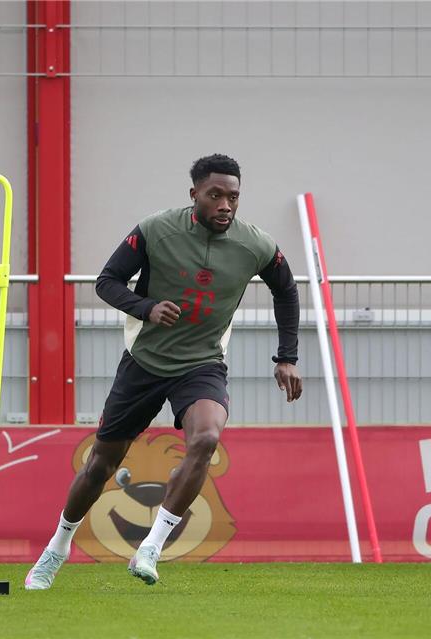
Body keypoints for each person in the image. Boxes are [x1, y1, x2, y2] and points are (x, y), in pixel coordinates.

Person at [25, 154, 302, 588]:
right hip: (144, 362)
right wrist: (147, 307)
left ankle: (151, 548)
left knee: (207, 437)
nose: (225, 205)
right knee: (101, 463)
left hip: (202, 363)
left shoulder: (256, 244)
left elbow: (286, 290)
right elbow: (107, 280)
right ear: (194, 195)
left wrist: (287, 356)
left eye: (233, 197)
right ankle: (56, 548)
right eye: (215, 195)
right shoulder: (156, 230)